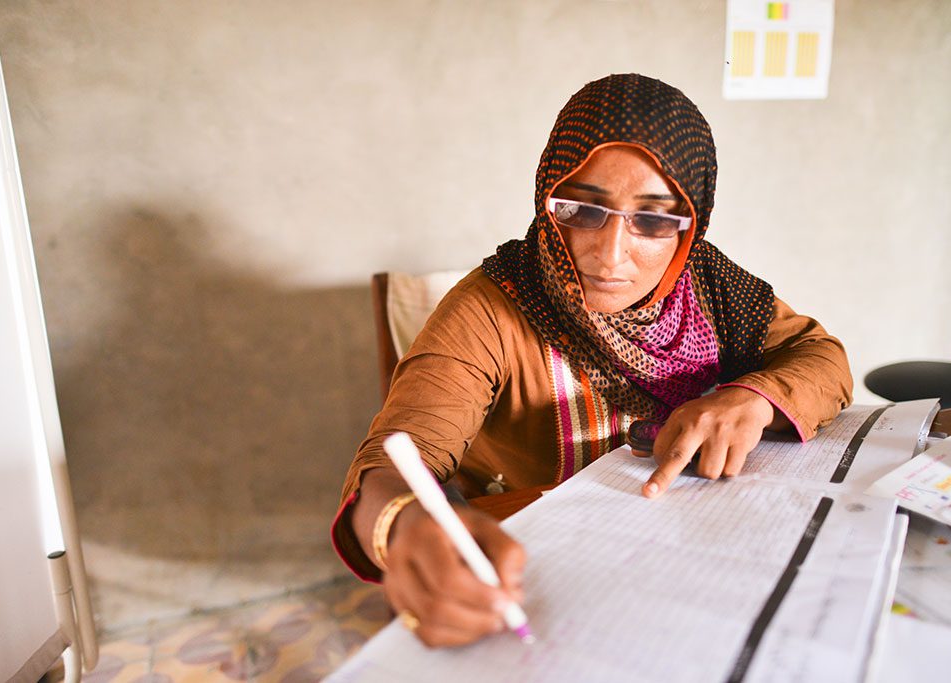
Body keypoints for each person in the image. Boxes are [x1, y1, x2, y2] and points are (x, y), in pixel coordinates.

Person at [331, 74, 852, 648]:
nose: (610, 254)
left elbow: (820, 357)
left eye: (653, 220)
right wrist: (407, 526)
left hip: (690, 552)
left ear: (691, 225)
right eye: (582, 209)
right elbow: (396, 455)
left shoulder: (711, 286)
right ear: (546, 197)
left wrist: (753, 399)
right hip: (536, 572)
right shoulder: (493, 306)